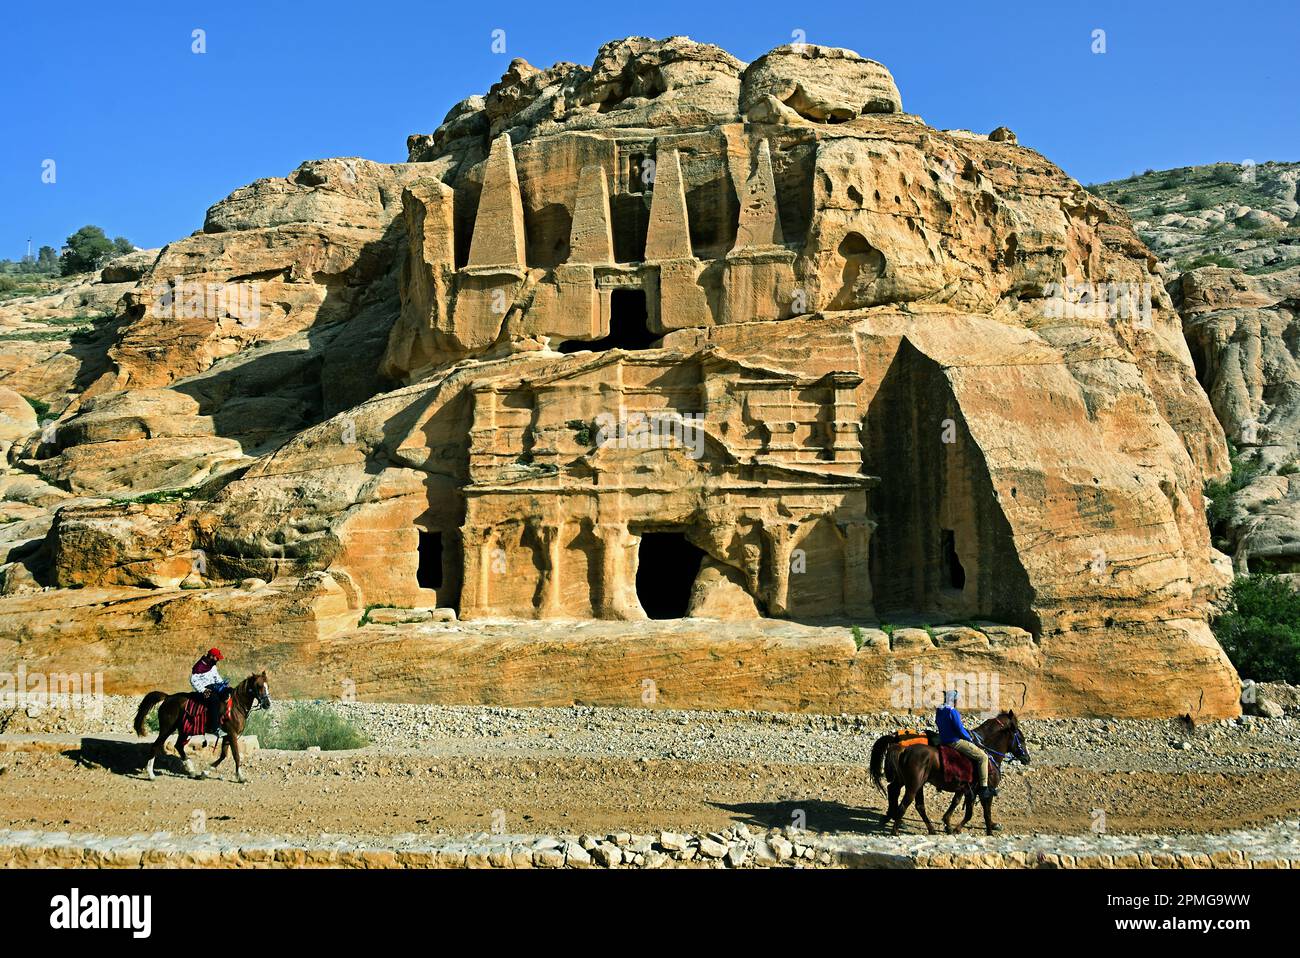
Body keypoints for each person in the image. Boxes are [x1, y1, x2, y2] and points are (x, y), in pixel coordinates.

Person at [935, 689, 994, 799]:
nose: (958, 702)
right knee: (983, 757)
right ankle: (984, 788)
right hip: (954, 741)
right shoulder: (952, 711)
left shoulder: (939, 709)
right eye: (957, 700)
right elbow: (959, 729)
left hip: (942, 740)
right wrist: (969, 738)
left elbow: (938, 723)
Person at [190, 648, 230, 737]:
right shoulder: (199, 667)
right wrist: (203, 690)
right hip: (204, 691)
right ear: (211, 656)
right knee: (214, 700)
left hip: (213, 688)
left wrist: (223, 684)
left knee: (229, 692)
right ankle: (215, 728)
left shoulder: (213, 666)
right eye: (217, 658)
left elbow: (217, 678)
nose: (218, 660)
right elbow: (193, 680)